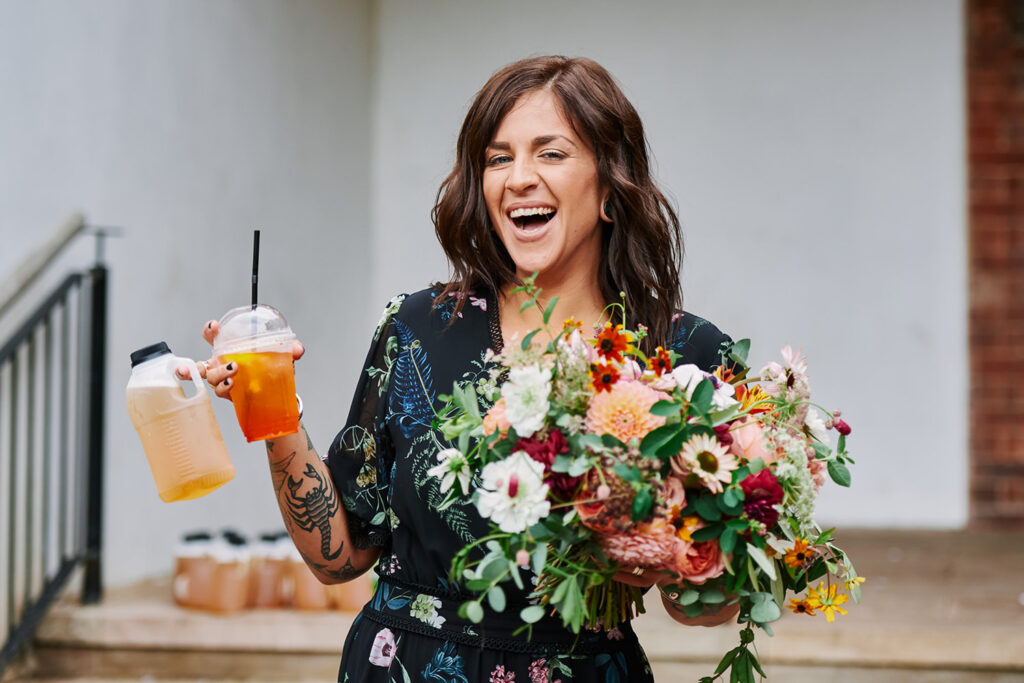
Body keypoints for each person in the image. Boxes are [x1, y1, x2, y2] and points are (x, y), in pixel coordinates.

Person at [187, 55, 738, 682]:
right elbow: (339, 559)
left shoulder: (681, 355)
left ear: (610, 187)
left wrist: (663, 559)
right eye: (498, 158)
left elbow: (705, 609)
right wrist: (275, 412)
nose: (518, 178)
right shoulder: (419, 329)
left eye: (550, 154)